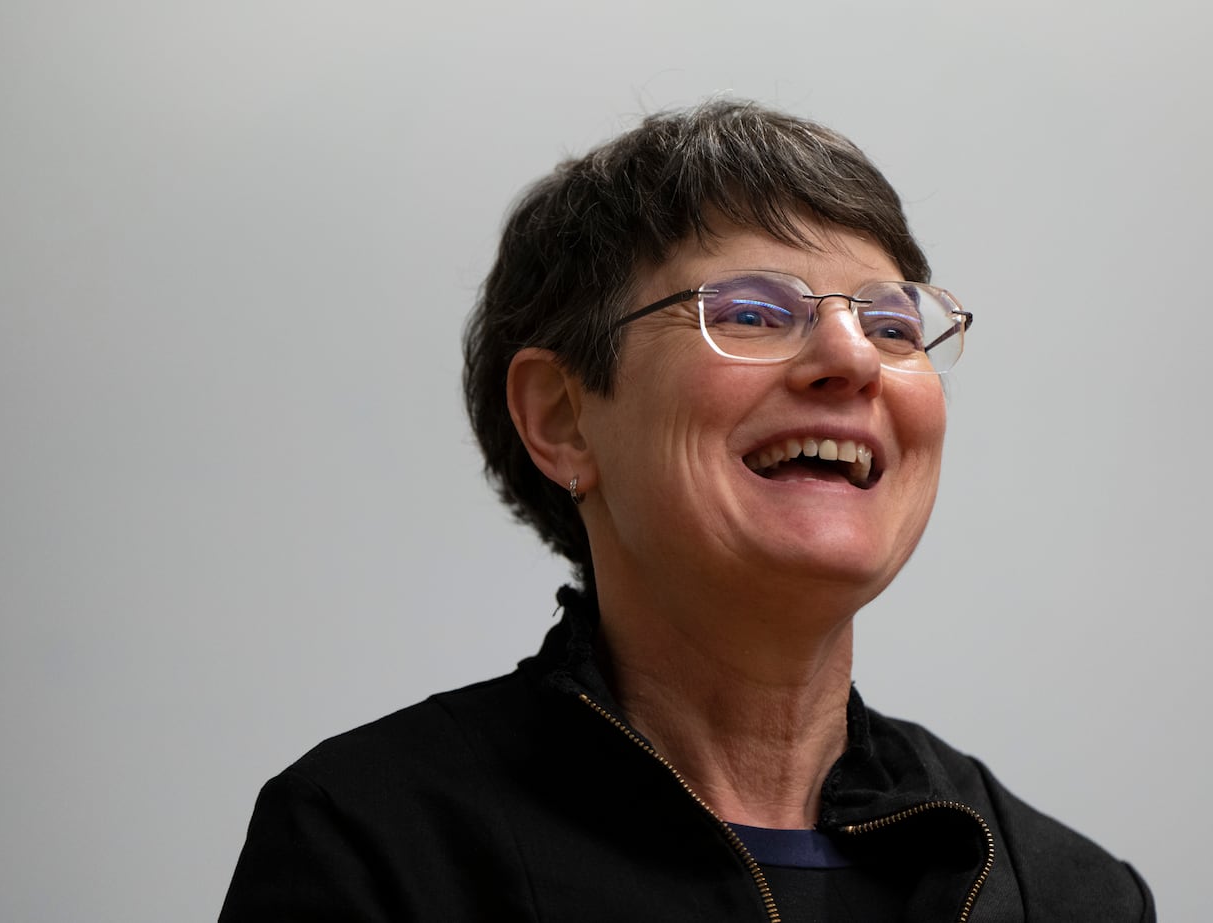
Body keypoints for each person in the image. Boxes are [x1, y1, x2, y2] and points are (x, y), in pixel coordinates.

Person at [219, 100, 1154, 921]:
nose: (855, 359)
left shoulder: (1062, 893)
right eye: (751, 312)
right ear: (563, 418)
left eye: (894, 325)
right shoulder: (377, 844)